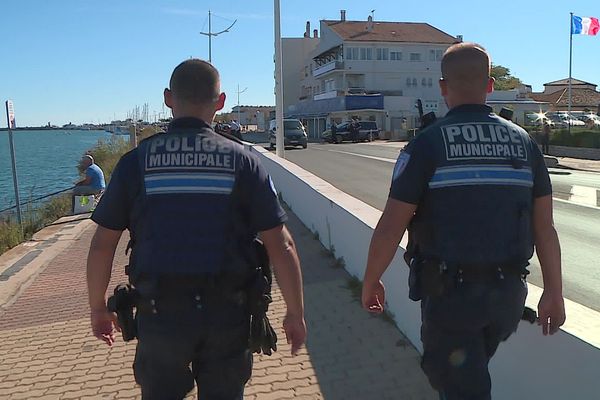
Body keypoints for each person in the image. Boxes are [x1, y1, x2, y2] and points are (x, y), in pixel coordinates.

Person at [86, 59, 306, 400]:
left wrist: (98, 307)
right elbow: (282, 245)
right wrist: (295, 313)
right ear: (220, 102)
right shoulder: (244, 161)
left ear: (168, 98)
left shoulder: (136, 163)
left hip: (160, 316)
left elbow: (102, 244)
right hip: (227, 315)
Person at [361, 43, 565, 400]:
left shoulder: (426, 144)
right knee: (469, 375)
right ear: (489, 85)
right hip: (507, 298)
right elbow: (544, 228)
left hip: (451, 298)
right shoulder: (525, 143)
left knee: (460, 385)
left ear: (443, 86)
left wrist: (372, 280)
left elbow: (392, 224)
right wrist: (554, 292)